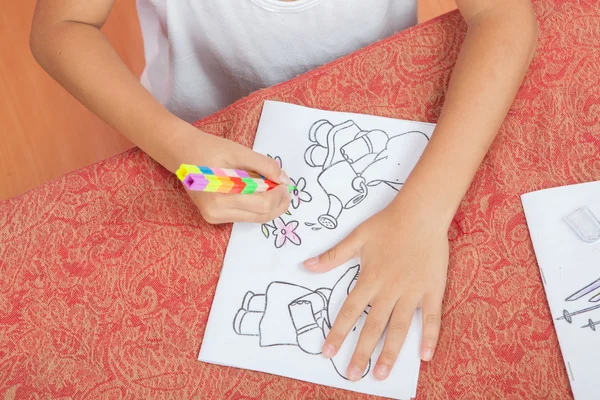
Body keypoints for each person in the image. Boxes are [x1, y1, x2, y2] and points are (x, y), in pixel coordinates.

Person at [30, 0, 538, 382]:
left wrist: (425, 212)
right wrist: (180, 150)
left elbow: (502, 16)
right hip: (198, 138)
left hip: (382, 125)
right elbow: (61, 26)